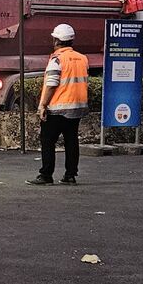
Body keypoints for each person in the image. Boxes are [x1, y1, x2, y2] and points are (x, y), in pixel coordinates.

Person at [31, 23, 89, 186]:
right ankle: (70, 175)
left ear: (56, 40)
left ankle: (46, 175)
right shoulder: (82, 58)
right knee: (72, 141)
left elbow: (51, 84)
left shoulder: (57, 59)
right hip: (77, 107)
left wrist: (43, 106)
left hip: (58, 108)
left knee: (47, 141)